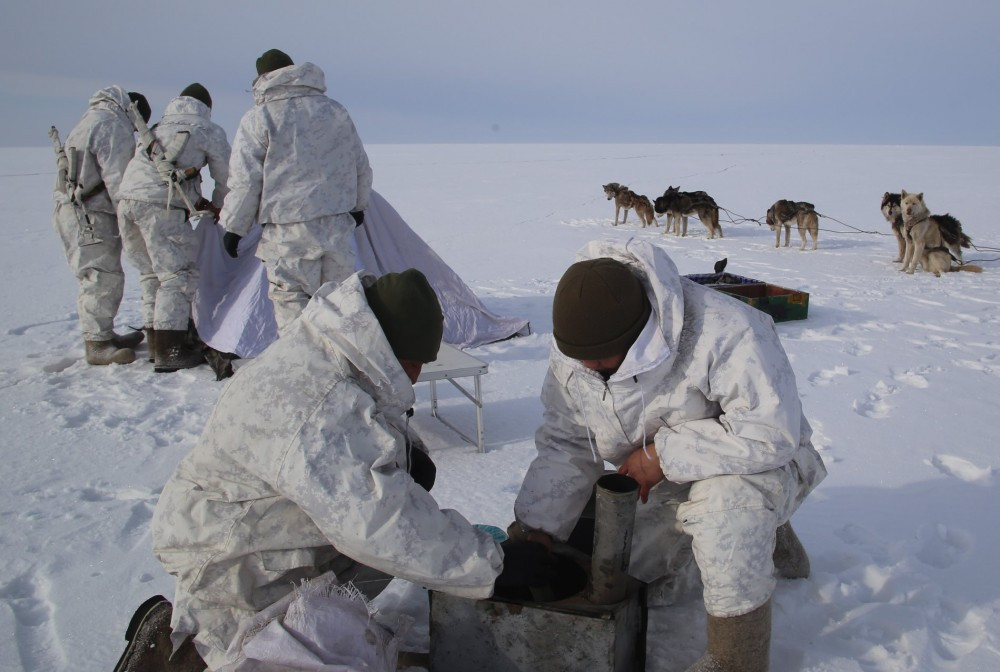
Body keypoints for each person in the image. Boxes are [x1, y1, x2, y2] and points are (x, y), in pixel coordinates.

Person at [114, 269, 552, 671]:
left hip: (269, 530)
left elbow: (360, 428)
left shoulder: (333, 347)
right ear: (390, 351)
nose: (417, 377)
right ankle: (186, 649)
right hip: (237, 565)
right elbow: (379, 524)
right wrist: (493, 566)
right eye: (414, 365)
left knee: (385, 565)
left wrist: (404, 453)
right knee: (275, 652)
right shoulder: (319, 406)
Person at [511, 240, 827, 672]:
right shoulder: (578, 347)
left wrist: (662, 455)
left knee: (726, 512)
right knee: (640, 575)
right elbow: (567, 442)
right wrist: (539, 528)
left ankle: (736, 657)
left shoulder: (728, 330)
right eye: (578, 358)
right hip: (673, 473)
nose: (585, 368)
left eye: (597, 359)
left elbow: (771, 431)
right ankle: (770, 537)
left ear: (634, 336)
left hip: (770, 458)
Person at [219, 48, 373, 332]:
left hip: (287, 232)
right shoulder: (335, 111)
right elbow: (359, 164)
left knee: (293, 308)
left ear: (262, 78)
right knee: (339, 306)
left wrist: (234, 227)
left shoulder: (259, 117)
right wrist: (358, 206)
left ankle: (302, 357)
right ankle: (341, 358)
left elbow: (246, 180)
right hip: (335, 227)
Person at [117, 83, 231, 372]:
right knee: (177, 276)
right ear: (206, 108)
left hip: (127, 202)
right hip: (161, 207)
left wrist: (199, 201)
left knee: (151, 273)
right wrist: (222, 208)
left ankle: (155, 343)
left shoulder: (158, 128)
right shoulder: (208, 130)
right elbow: (228, 178)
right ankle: (172, 350)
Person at [51, 86, 151, 365]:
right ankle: (97, 344)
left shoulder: (93, 118)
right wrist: (135, 219)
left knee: (102, 274)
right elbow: (121, 181)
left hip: (79, 210)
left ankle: (104, 334)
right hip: (89, 214)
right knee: (100, 276)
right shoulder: (111, 126)